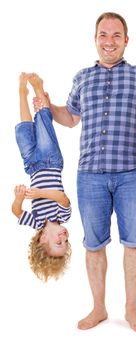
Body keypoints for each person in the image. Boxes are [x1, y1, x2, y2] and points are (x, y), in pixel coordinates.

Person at [33, 12, 136, 332]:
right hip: (89, 175)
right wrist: (49, 107)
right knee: (94, 244)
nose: (109, 41)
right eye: (103, 35)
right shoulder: (82, 77)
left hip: (133, 174)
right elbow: (70, 117)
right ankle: (98, 309)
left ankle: (131, 310)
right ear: (95, 39)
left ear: (126, 40)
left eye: (116, 35)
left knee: (134, 242)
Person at [12, 73, 72, 282]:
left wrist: (19, 197)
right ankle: (39, 88)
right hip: (50, 161)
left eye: (59, 243)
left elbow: (17, 212)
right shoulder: (63, 217)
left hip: (32, 166)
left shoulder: (36, 222)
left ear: (43, 239)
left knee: (24, 129)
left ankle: (22, 92)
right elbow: (62, 197)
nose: (64, 239)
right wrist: (39, 193)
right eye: (66, 243)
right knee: (44, 123)